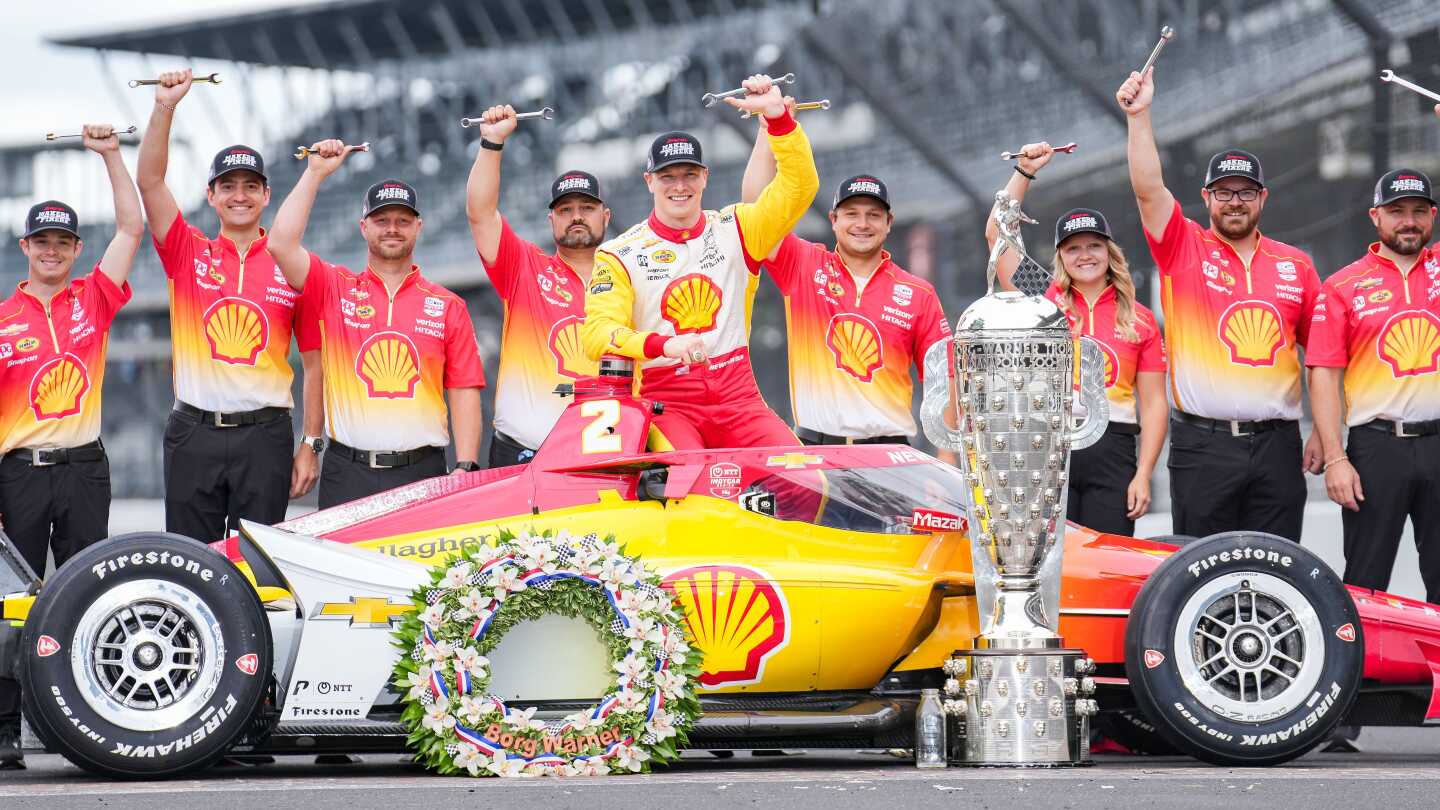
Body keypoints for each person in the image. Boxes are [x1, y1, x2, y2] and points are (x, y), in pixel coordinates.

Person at [1118, 66, 1321, 541]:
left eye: (1246, 192)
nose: (1235, 202)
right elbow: (1148, 189)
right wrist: (1139, 116)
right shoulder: (1182, 246)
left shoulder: (1297, 265)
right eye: (1224, 192)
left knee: (1277, 565)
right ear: (1206, 198)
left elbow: (1325, 361)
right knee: (1201, 569)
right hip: (1201, 445)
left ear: (1263, 198)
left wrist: (1329, 443)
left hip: (1279, 443)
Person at [0, 125, 142, 770]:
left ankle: (89, 722)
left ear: (75, 248)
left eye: (63, 242)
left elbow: (133, 229)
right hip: (18, 474)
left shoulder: (94, 299)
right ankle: (5, 730)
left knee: (90, 593)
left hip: (85, 468)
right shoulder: (2, 320)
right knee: (9, 605)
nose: (52, 251)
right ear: (25, 246)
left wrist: (112, 155)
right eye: (42, 241)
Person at [581, 74, 818, 450]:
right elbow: (595, 336)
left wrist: (779, 121)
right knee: (689, 479)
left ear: (705, 177)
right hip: (667, 404)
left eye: (689, 174)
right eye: (668, 176)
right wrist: (663, 345)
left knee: (802, 478)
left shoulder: (739, 227)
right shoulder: (618, 254)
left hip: (740, 400)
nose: (680, 186)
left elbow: (800, 187)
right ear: (649, 181)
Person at [137, 68, 317, 541]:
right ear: (211, 195)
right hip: (192, 430)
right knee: (190, 560)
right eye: (229, 186)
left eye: (250, 186)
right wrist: (164, 107)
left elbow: (316, 363)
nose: (240, 195)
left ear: (266, 195)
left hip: (266, 435)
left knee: (261, 570)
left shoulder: (292, 263)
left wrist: (310, 445)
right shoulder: (186, 251)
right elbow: (151, 183)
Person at [269, 141, 484, 506]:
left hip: (423, 472)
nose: (392, 229)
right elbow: (280, 243)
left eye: (402, 220)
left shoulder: (448, 305)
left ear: (419, 227)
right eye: (382, 220)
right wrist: (315, 173)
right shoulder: (333, 287)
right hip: (347, 470)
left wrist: (466, 464)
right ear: (363, 227)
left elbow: (464, 389)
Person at [981, 142, 1168, 537]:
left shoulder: (1140, 318)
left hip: (1114, 448)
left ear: (1110, 252)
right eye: (1073, 248)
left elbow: (1153, 404)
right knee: (1047, 556)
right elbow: (998, 233)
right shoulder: (1041, 297)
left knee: (1105, 557)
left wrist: (1144, 474)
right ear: (1060, 256)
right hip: (1046, 441)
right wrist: (1025, 172)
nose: (1085, 255)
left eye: (1094, 246)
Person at [740, 118, 950, 446]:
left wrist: (949, 450)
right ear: (834, 220)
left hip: (890, 457)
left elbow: (943, 382)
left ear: (889, 223)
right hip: (816, 451)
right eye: (851, 214)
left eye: (873, 215)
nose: (862, 224)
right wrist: (767, 128)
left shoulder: (918, 293)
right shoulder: (803, 264)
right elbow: (755, 211)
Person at [1308, 169, 1440, 603]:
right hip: (1375, 447)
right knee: (1366, 577)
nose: (1409, 221)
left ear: (1433, 216)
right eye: (1397, 211)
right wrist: (1335, 459)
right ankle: (1364, 673)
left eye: (1419, 211)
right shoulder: (1342, 286)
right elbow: (1324, 373)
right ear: (1375, 217)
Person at [464, 105, 606, 466]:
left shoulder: (631, 276)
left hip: (604, 453)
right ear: (551, 220)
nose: (576, 216)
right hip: (521, 452)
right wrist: (491, 143)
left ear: (606, 216)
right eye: (564, 209)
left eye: (586, 208)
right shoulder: (524, 267)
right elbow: (481, 213)